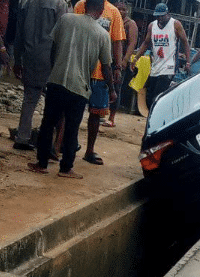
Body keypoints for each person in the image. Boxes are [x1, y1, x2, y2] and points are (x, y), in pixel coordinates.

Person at [28, 0, 115, 179]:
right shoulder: (102, 34)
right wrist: (112, 89)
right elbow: (106, 67)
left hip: (56, 81)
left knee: (48, 124)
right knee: (71, 128)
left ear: (83, 7)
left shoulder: (66, 19)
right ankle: (66, 168)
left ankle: (42, 164)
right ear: (100, 12)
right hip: (79, 87)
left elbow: (53, 48)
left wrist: (55, 70)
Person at [74, 0, 125, 165]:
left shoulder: (113, 12)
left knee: (95, 114)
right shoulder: (80, 5)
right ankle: (63, 144)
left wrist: (117, 67)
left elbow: (117, 41)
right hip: (79, 68)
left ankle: (89, 150)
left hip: (101, 72)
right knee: (72, 110)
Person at [12, 0, 68, 150]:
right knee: (54, 102)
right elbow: (62, 34)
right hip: (51, 57)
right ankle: (50, 143)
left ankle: (22, 138)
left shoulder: (25, 2)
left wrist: (17, 60)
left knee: (29, 99)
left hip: (29, 55)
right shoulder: (59, 4)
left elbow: (19, 34)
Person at [131, 3, 191, 110]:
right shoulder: (152, 26)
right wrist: (136, 58)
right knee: (149, 97)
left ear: (167, 14)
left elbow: (185, 42)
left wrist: (188, 61)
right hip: (155, 66)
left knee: (157, 97)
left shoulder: (175, 25)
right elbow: (146, 43)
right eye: (157, 16)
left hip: (169, 67)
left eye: (162, 16)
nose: (160, 18)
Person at [103, 1, 138, 127]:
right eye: (119, 9)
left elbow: (132, 44)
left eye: (123, 9)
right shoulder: (112, 20)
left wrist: (124, 61)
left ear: (127, 11)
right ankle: (102, 113)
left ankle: (112, 118)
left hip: (120, 62)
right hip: (108, 59)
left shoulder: (130, 24)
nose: (121, 11)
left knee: (116, 88)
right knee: (104, 86)